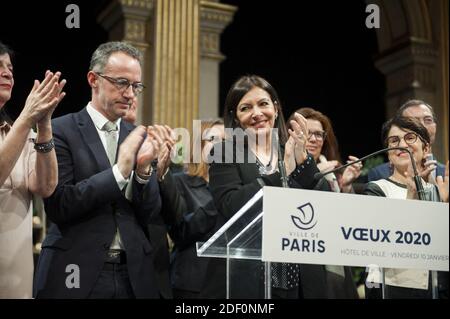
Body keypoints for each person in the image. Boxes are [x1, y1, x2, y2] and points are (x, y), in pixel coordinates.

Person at [34, 41, 172, 299]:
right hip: (76, 272)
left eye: (136, 86)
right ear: (93, 79)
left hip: (134, 275)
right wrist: (120, 172)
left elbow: (150, 213)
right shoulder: (61, 130)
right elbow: (59, 204)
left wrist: (143, 171)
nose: (130, 94)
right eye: (121, 83)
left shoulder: (139, 136)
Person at [205, 75, 341, 299]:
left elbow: (325, 204)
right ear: (236, 118)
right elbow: (231, 206)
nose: (257, 113)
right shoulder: (224, 152)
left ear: (276, 109)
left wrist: (304, 162)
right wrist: (282, 173)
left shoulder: (293, 149)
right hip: (249, 280)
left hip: (300, 279)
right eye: (245, 108)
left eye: (263, 104)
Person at [0, 42, 65, 298]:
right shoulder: (21, 127)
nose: (8, 73)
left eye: (10, 68)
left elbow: (45, 186)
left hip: (16, 285)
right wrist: (27, 118)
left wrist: (44, 124)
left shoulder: (17, 131)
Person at [364, 116, 449, 299]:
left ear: (426, 148)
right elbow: (383, 242)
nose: (401, 144)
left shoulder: (436, 191)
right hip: (393, 288)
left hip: (435, 289)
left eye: (410, 137)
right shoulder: (376, 189)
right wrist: (411, 195)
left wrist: (444, 207)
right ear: (388, 153)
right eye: (394, 140)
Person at [157, 119, 224, 298]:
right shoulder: (179, 181)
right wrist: (219, 199)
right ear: (198, 147)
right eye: (213, 139)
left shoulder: (234, 188)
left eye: (225, 141)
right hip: (192, 284)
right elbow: (181, 232)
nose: (220, 146)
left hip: (229, 281)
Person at [368, 100, 446, 183]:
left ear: (436, 126)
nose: (422, 125)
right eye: (413, 121)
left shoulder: (446, 173)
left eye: (428, 120)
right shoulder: (378, 174)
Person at [287, 107, 362, 193]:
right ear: (291, 135)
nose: (313, 139)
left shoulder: (334, 170)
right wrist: (313, 172)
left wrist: (345, 186)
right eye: (307, 133)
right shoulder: (285, 167)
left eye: (318, 134)